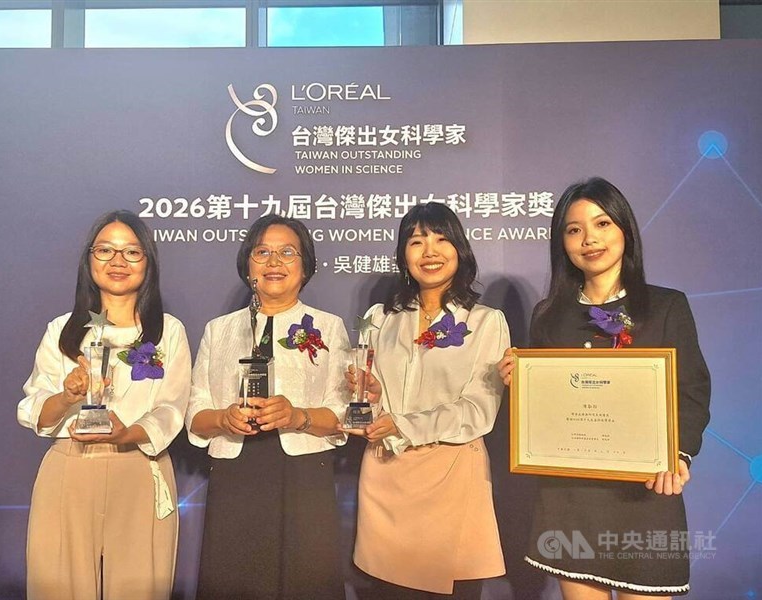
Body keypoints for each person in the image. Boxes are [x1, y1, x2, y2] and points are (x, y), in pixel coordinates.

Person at [498, 177, 711, 599]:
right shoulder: (548, 314)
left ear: (624, 231)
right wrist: (518, 383)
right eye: (574, 229)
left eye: (602, 223)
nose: (589, 238)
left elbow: (691, 389)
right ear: (562, 242)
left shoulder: (666, 305)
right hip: (570, 496)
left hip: (647, 492)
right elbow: (546, 408)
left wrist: (678, 454)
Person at [17, 210, 192, 600]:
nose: (117, 261)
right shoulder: (61, 330)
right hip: (69, 468)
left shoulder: (169, 331)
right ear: (88, 259)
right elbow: (36, 411)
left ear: (149, 262)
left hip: (139, 468)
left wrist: (127, 433)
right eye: (106, 250)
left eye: (132, 252)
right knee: (58, 587)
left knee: (138, 586)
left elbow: (171, 408)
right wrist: (67, 395)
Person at [347, 202, 510, 599]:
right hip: (386, 474)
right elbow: (371, 395)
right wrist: (369, 396)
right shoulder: (380, 318)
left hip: (451, 476)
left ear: (460, 249)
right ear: (404, 255)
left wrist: (405, 423)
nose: (429, 251)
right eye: (417, 241)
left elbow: (479, 408)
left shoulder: (485, 321)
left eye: (441, 239)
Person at [186, 214, 350, 600]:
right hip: (236, 476)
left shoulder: (329, 326)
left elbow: (343, 413)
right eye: (262, 252)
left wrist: (299, 416)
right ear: (247, 265)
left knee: (306, 581)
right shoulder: (218, 329)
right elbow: (195, 412)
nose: (274, 262)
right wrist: (224, 419)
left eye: (287, 252)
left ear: (306, 266)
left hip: (305, 474)